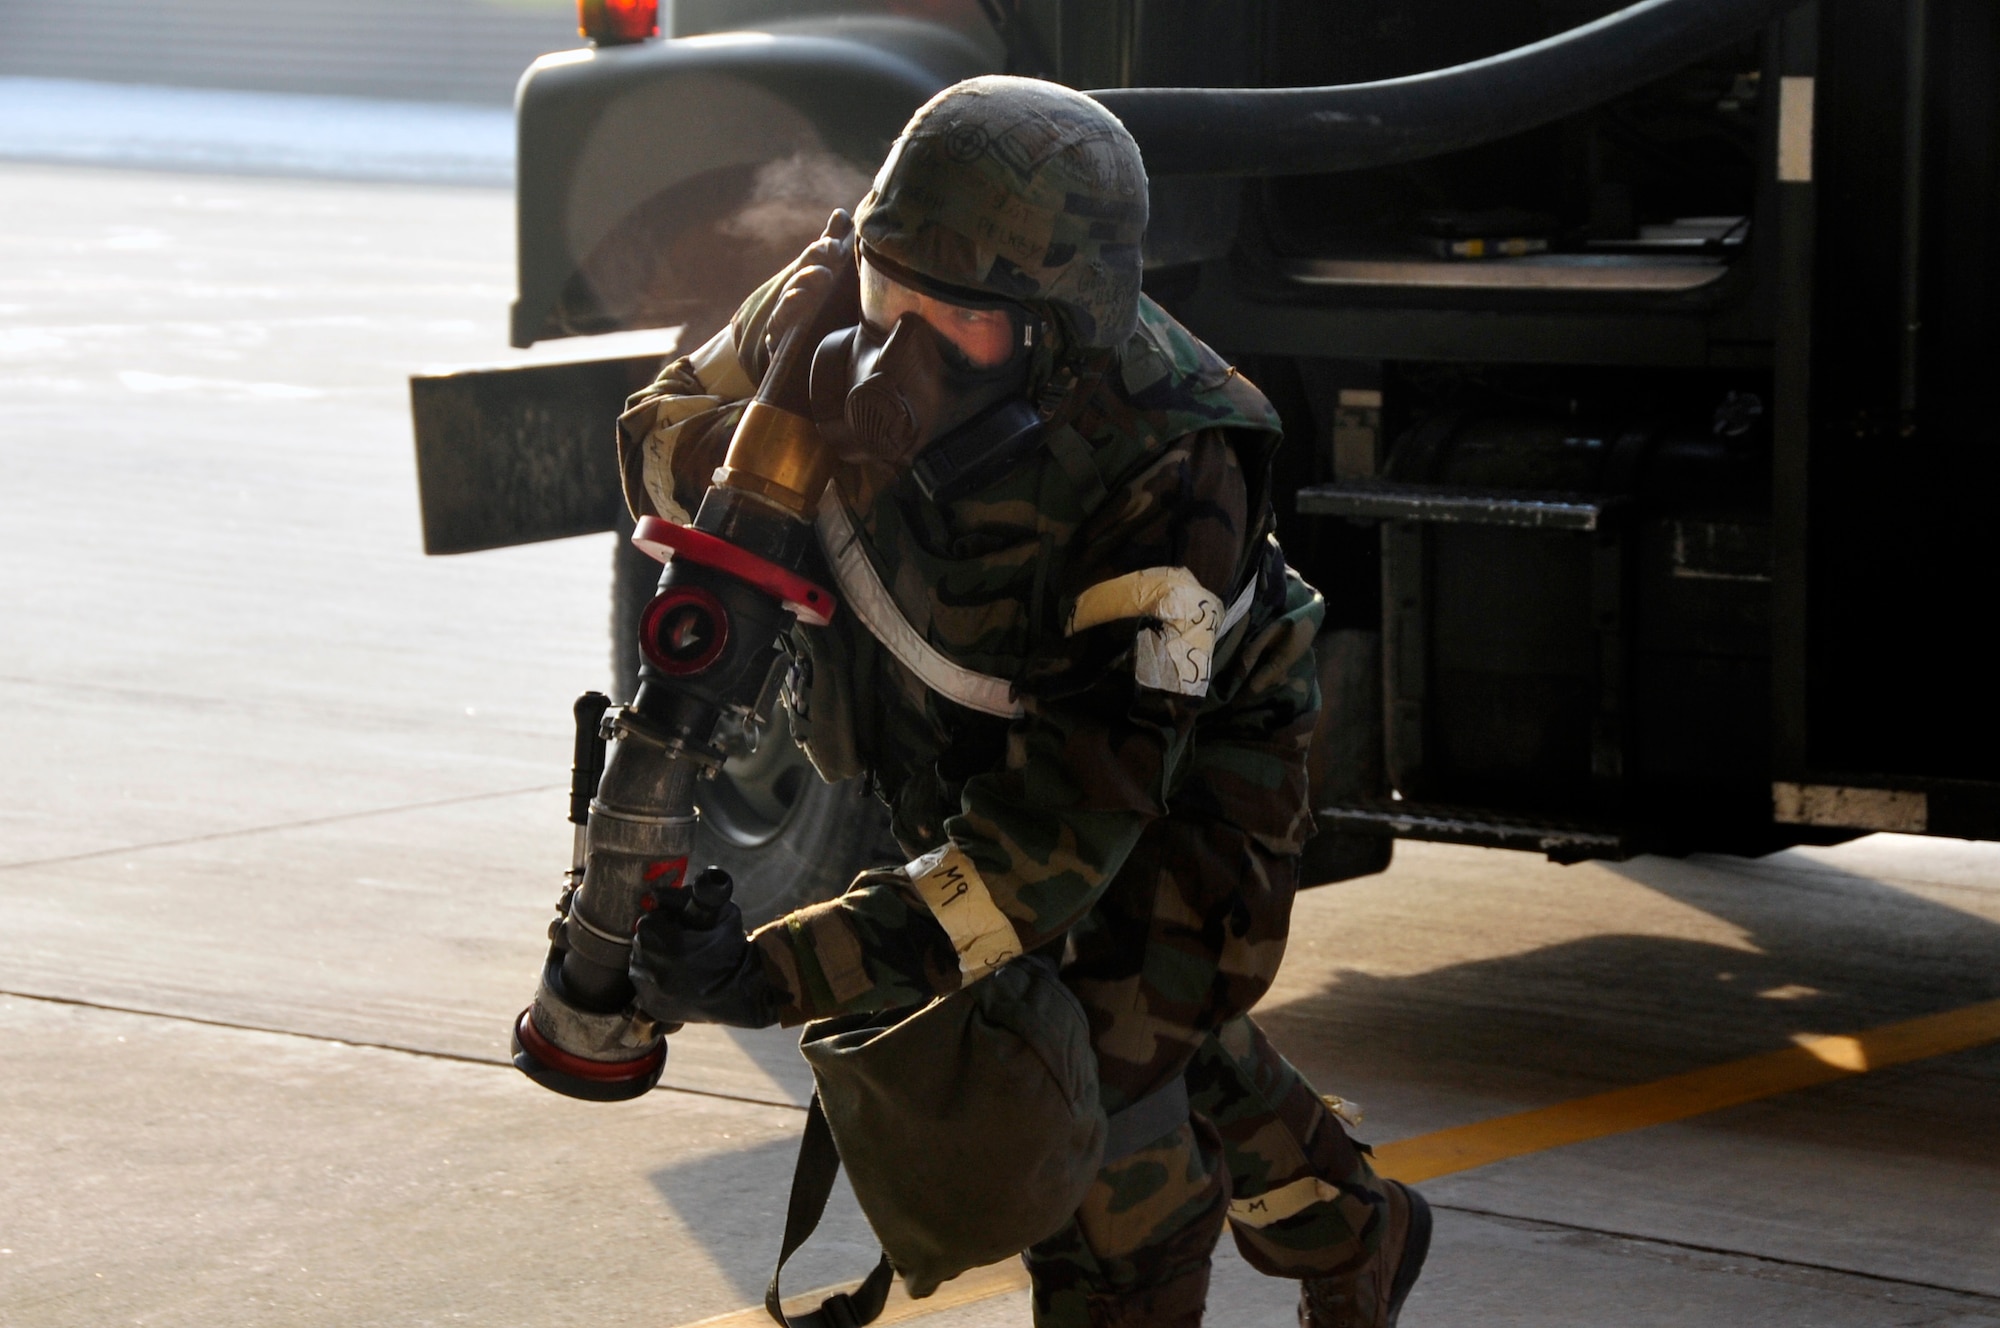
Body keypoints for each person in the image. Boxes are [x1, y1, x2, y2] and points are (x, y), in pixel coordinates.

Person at [615, 75, 1429, 1328]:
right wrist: (776, 445)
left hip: (1182, 756)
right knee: (1163, 1017)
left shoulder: (1171, 462)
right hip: (969, 703)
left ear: (1061, 332)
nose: (896, 352)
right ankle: (1354, 1223)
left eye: (961, 323)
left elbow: (1053, 840)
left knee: (1081, 1071)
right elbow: (654, 436)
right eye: (892, 299)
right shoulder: (834, 293)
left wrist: (768, 973)